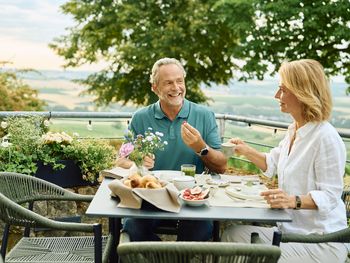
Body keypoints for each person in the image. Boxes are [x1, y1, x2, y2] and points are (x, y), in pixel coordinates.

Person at [221, 59, 348, 262]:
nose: (276, 96)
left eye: (283, 90)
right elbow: (272, 162)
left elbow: (331, 195)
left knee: (247, 251)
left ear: (302, 92)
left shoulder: (325, 137)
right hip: (289, 231)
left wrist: (292, 200)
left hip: (320, 242)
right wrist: (245, 150)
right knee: (232, 234)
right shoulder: (294, 130)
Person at [122, 57, 227, 241]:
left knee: (200, 231)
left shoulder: (204, 115)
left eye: (179, 81)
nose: (176, 88)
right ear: (154, 87)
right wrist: (136, 160)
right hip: (151, 198)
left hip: (191, 199)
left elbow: (221, 166)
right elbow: (121, 159)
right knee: (131, 226)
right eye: (168, 82)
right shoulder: (140, 118)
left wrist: (201, 148)